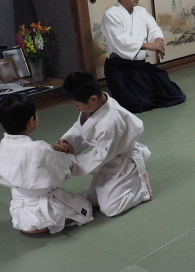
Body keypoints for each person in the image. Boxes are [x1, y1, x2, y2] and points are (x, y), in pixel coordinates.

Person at [53, 71, 152, 217]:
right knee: (93, 200)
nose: (76, 108)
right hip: (110, 159)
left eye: (76, 105)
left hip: (124, 163)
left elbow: (100, 156)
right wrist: (69, 142)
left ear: (92, 99)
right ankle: (128, 184)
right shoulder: (98, 103)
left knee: (111, 208)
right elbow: (81, 127)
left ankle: (142, 188)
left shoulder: (109, 122)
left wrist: (70, 164)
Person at [0, 94, 94, 234]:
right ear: (32, 121)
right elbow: (63, 169)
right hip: (42, 204)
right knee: (86, 208)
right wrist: (65, 155)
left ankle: (30, 222)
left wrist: (50, 148)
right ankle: (44, 223)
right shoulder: (40, 148)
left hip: (19, 205)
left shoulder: (5, 142)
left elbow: (26, 154)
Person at [100, 0, 186, 113]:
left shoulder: (141, 11)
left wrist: (158, 42)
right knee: (139, 104)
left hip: (139, 66)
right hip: (121, 68)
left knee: (174, 95)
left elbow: (153, 28)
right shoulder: (111, 15)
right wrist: (149, 46)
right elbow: (121, 40)